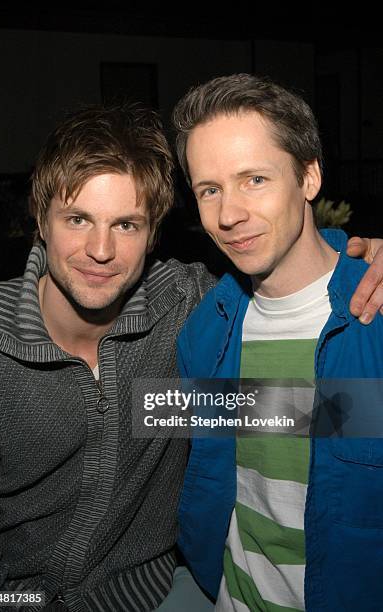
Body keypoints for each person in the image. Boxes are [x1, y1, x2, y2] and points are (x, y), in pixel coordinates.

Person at [0, 102, 381, 612]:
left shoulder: (192, 311)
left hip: (158, 595)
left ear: (154, 235)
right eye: (77, 219)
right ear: (39, 219)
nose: (100, 250)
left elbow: (313, 409)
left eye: (126, 225)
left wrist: (365, 262)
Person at [173, 73, 383, 612]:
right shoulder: (204, 331)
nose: (228, 214)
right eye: (209, 189)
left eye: (254, 180)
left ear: (309, 177)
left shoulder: (372, 315)